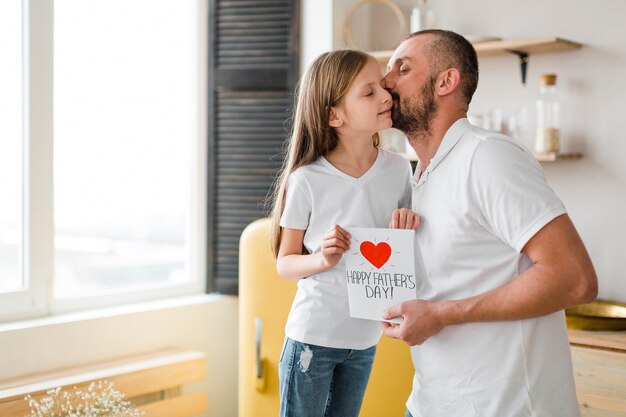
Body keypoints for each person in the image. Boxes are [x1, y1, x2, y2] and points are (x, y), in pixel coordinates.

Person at [382, 30, 598, 417]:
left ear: (446, 81)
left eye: (402, 68)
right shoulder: (421, 174)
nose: (386, 82)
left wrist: (442, 314)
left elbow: (574, 278)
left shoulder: (488, 156)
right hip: (428, 404)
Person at [268, 49, 417, 417]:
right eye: (369, 93)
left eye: (382, 87)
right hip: (311, 341)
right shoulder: (307, 180)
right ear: (334, 115)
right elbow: (285, 263)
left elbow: (404, 252)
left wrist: (408, 230)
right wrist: (322, 258)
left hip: (365, 341)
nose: (386, 96)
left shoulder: (400, 171)